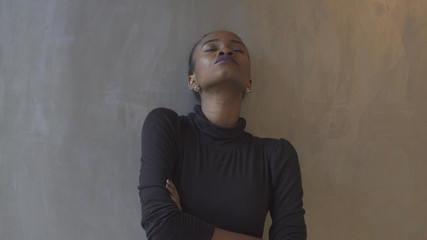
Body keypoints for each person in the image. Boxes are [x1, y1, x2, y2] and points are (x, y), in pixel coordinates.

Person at [138, 30, 307, 240]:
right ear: (192, 80)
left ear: (249, 84)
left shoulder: (277, 155)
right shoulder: (167, 127)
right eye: (211, 48)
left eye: (237, 49)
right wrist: (172, 224)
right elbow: (161, 225)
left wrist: (184, 226)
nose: (226, 51)